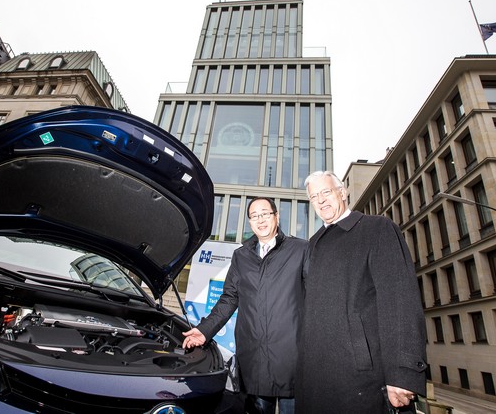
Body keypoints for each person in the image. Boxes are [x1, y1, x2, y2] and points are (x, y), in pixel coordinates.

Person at [296, 171, 427, 413]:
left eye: (326, 192)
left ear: (342, 192)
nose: (321, 200)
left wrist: (402, 373)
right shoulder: (313, 244)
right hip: (315, 379)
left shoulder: (377, 229)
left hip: (362, 380)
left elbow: (400, 302)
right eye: (314, 197)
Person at [183, 197, 307, 414]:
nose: (260, 220)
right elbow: (229, 298)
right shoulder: (241, 256)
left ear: (276, 216)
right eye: (254, 216)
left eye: (265, 214)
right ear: (249, 222)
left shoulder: (300, 250)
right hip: (254, 357)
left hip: (292, 358)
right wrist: (204, 331)